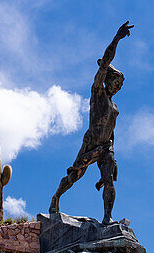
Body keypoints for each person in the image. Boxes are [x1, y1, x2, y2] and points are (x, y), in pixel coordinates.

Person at [49, 21, 134, 224]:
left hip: (106, 147)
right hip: (91, 144)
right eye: (116, 82)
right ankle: (56, 198)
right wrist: (117, 38)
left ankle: (107, 218)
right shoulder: (97, 92)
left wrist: (113, 157)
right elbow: (105, 62)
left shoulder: (114, 107)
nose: (118, 87)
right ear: (108, 80)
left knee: (109, 182)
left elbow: (111, 129)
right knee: (74, 176)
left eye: (121, 85)